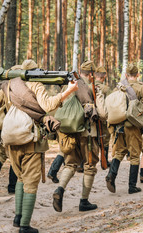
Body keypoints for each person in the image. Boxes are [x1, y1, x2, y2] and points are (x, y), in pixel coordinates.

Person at [0, 59, 78, 233]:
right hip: (31, 141)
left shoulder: (8, 87)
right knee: (31, 183)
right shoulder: (36, 85)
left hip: (12, 140)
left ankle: (18, 217)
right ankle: (25, 227)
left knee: (20, 178)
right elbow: (48, 106)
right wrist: (68, 91)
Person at [52, 60, 107, 212]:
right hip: (88, 134)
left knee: (70, 164)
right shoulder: (92, 87)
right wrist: (99, 95)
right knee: (89, 166)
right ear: (91, 74)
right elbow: (102, 114)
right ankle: (84, 201)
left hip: (69, 132)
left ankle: (60, 190)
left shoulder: (69, 86)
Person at [105, 63, 143, 194]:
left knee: (119, 152)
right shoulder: (140, 88)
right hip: (133, 127)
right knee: (135, 155)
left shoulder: (119, 87)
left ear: (126, 75)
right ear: (137, 75)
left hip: (118, 126)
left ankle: (111, 176)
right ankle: (132, 186)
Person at [95, 66, 111, 166]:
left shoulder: (88, 86)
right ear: (104, 76)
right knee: (105, 139)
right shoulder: (105, 88)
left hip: (90, 117)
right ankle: (104, 160)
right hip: (102, 118)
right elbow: (110, 104)